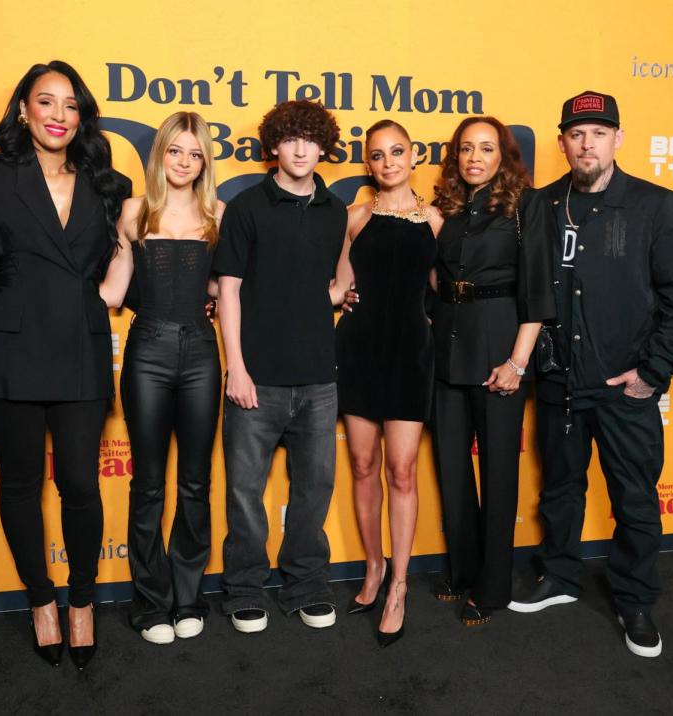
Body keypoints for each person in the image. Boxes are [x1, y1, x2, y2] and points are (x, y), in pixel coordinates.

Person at [509, 91, 673, 657]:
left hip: (625, 389)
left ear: (618, 139)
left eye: (598, 133)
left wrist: (654, 371)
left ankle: (636, 599)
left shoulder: (655, 205)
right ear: (563, 142)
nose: (586, 143)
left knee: (635, 500)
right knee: (560, 489)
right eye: (576, 134)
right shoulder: (541, 205)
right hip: (559, 385)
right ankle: (559, 576)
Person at [0, 61, 129, 670]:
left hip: (81, 347)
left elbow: (124, 261)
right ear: (24, 110)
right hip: (10, 348)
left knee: (79, 484)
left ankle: (83, 600)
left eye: (71, 105)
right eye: (46, 102)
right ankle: (41, 600)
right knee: (18, 485)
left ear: (82, 116)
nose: (59, 115)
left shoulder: (107, 182)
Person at [213, 100, 347, 634]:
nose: (299, 149)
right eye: (289, 139)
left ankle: (306, 585)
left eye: (309, 140)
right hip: (257, 377)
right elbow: (229, 292)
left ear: (322, 147)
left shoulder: (335, 210)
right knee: (245, 493)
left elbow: (331, 281)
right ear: (273, 145)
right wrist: (236, 368)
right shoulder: (246, 207)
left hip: (318, 375)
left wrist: (340, 295)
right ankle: (245, 588)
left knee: (313, 491)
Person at [99, 111, 224, 644]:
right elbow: (111, 291)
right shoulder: (133, 213)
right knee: (148, 483)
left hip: (200, 352)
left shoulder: (220, 213)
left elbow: (228, 290)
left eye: (195, 155)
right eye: (176, 151)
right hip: (146, 349)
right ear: (161, 154)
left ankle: (188, 596)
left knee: (195, 482)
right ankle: (151, 603)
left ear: (204, 163)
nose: (184, 162)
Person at [429, 116, 555, 626]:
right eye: (466, 149)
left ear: (504, 155)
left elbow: (539, 291)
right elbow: (434, 276)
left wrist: (517, 361)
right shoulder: (448, 208)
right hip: (447, 341)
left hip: (501, 343)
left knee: (499, 471)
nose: (474, 157)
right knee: (451, 468)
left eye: (485, 148)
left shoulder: (528, 206)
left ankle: (493, 586)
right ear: (455, 156)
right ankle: (463, 571)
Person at [333, 120, 442, 647]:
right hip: (358, 351)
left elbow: (444, 295)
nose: (388, 162)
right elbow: (338, 287)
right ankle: (373, 567)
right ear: (368, 163)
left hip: (409, 356)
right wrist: (338, 298)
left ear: (414, 156)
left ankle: (399, 584)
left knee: (401, 471)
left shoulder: (438, 222)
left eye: (397, 152)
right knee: (361, 466)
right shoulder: (353, 219)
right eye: (377, 155)